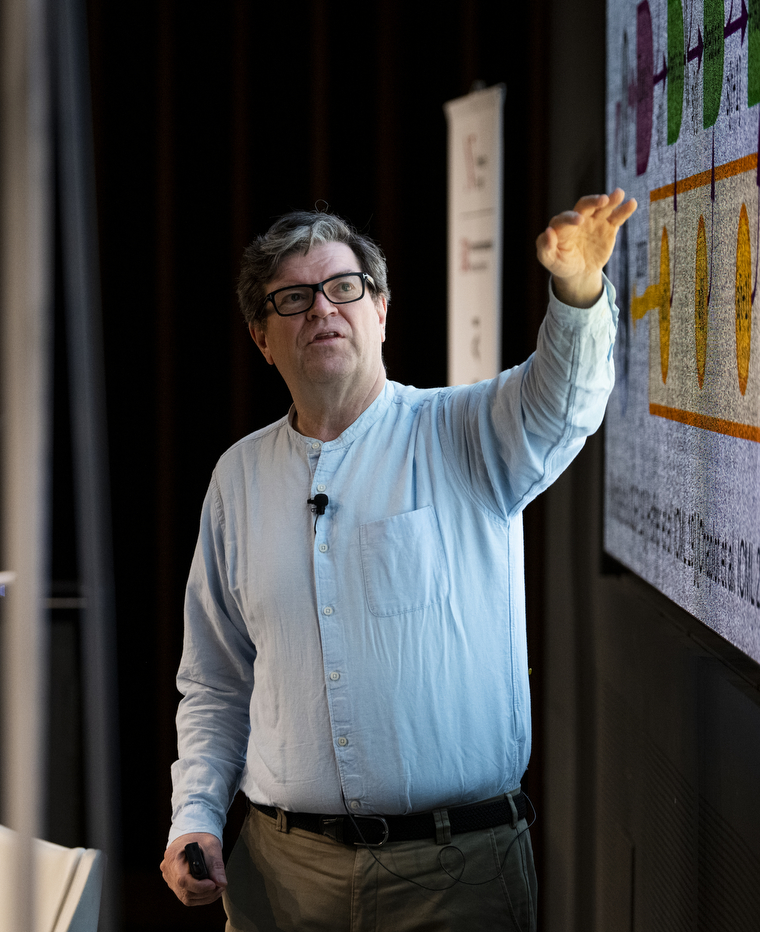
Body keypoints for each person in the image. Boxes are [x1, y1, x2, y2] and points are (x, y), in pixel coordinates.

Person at [160, 190, 637, 931]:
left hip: (453, 876)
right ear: (261, 336)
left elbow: (566, 402)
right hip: (280, 878)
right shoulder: (237, 479)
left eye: (343, 288)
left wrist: (576, 292)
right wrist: (194, 816)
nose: (322, 309)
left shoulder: (465, 432)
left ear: (380, 310)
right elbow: (217, 681)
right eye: (294, 298)